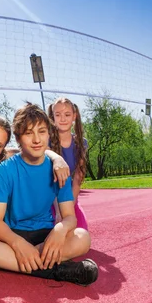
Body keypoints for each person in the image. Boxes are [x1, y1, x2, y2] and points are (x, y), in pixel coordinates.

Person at [0, 103, 98, 286]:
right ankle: (60, 271)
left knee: (83, 238)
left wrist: (60, 230)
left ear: (49, 134)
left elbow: (70, 217)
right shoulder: (5, 170)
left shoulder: (59, 169)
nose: (37, 139)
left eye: (42, 131)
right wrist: (17, 244)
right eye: (28, 133)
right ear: (18, 138)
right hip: (10, 236)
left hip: (44, 235)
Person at [48, 97, 89, 229]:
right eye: (58, 115)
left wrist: (69, 206)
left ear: (74, 117)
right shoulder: (46, 142)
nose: (63, 119)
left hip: (69, 195)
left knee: (81, 235)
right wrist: (59, 211)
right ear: (52, 117)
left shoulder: (82, 143)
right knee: (53, 231)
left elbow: (78, 177)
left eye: (67, 115)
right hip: (49, 197)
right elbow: (49, 180)